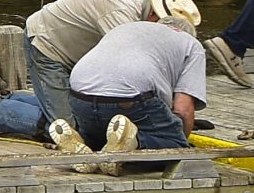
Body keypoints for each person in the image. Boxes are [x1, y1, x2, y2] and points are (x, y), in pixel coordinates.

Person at [0, 0, 201, 143]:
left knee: (82, 110)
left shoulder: (141, 2)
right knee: (70, 131)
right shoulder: (121, 11)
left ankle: (12, 98)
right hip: (48, 46)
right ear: (154, 16)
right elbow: (118, 69)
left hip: (81, 58)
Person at [62, 17, 209, 154]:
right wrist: (180, 141)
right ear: (189, 34)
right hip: (129, 97)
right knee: (174, 144)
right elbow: (183, 110)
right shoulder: (191, 44)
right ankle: (134, 143)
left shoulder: (128, 27)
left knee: (106, 137)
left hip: (79, 93)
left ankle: (84, 142)